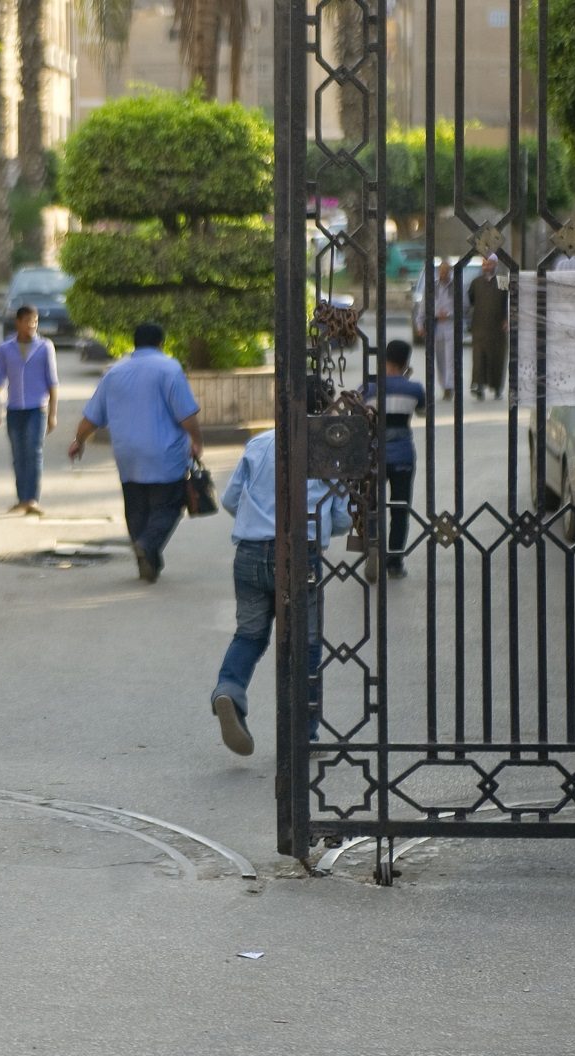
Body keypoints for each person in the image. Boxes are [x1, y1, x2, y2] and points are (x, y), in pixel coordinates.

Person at [210, 385, 352, 756]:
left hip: (251, 553)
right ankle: (303, 734)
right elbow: (340, 517)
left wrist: (259, 520)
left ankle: (229, 689)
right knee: (304, 644)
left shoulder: (259, 445)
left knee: (250, 634)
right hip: (300, 555)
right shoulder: (327, 453)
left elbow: (229, 499)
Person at [66, 322, 203, 583]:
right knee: (170, 506)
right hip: (165, 455)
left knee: (136, 508)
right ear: (161, 343)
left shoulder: (114, 372)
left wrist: (79, 441)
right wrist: (196, 440)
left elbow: (91, 417)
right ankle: (147, 545)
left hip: (127, 456)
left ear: (135, 343)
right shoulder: (170, 369)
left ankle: (146, 559)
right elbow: (187, 416)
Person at [0, 305, 59, 515]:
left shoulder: (45, 347)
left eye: (35, 321)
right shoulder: (6, 349)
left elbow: (53, 383)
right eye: (27, 321)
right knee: (18, 454)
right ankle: (21, 498)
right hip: (14, 409)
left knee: (34, 452)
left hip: (37, 408)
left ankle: (32, 499)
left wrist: (53, 414)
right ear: (18, 322)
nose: (31, 325)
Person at [365, 341, 426, 579]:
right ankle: (395, 561)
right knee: (400, 509)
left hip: (374, 457)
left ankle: (372, 546)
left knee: (371, 506)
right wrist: (406, 378)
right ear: (406, 363)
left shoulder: (370, 388)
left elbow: (358, 413)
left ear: (384, 361)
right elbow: (422, 412)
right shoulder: (414, 389)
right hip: (403, 457)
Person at [467, 255, 508, 400]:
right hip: (480, 327)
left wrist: (507, 319)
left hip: (497, 328)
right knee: (479, 359)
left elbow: (509, 301)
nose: (486, 267)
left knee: (497, 359)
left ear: (495, 264)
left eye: (489, 264)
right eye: (484, 264)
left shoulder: (503, 281)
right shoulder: (476, 283)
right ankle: (478, 386)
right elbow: (471, 301)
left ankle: (497, 388)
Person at [426, 261, 458, 401]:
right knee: (440, 359)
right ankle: (444, 384)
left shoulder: (456, 287)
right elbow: (424, 306)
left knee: (450, 358)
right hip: (437, 327)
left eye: (446, 271)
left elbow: (463, 306)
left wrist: (450, 314)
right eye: (441, 271)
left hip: (451, 326)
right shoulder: (433, 287)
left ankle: (449, 386)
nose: (443, 274)